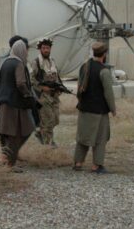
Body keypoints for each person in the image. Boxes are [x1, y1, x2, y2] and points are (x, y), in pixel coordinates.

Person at [73, 42, 116, 174]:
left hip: (84, 108)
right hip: (99, 111)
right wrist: (113, 109)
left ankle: (78, 162)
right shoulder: (104, 71)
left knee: (83, 137)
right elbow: (108, 93)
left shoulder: (84, 67)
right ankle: (96, 165)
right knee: (100, 138)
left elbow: (80, 86)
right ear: (104, 54)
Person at [0, 39, 36, 171]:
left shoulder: (5, 62)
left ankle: (6, 158)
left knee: (10, 133)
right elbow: (21, 83)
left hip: (5, 103)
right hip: (16, 105)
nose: (27, 53)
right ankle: (10, 164)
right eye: (26, 50)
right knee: (19, 133)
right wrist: (28, 94)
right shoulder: (19, 64)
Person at [0, 35, 31, 137]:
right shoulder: (3, 60)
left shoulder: (22, 60)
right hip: (6, 97)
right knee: (4, 125)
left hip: (15, 98)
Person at [31, 38, 63, 146]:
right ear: (40, 49)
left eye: (47, 48)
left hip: (54, 96)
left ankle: (41, 132)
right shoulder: (36, 62)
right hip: (43, 97)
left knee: (56, 119)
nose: (46, 50)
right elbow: (31, 79)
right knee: (47, 121)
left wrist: (60, 87)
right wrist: (42, 88)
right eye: (43, 48)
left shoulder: (52, 61)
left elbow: (56, 76)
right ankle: (48, 145)